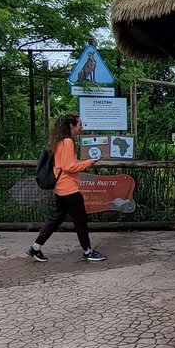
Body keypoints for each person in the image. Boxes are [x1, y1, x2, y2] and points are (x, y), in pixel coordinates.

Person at [27, 113, 105, 263]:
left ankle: (35, 248)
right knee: (80, 220)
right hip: (69, 189)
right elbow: (69, 166)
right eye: (80, 124)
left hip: (60, 187)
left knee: (56, 218)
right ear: (71, 126)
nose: (81, 127)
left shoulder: (58, 141)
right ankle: (87, 251)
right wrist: (90, 162)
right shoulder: (68, 142)